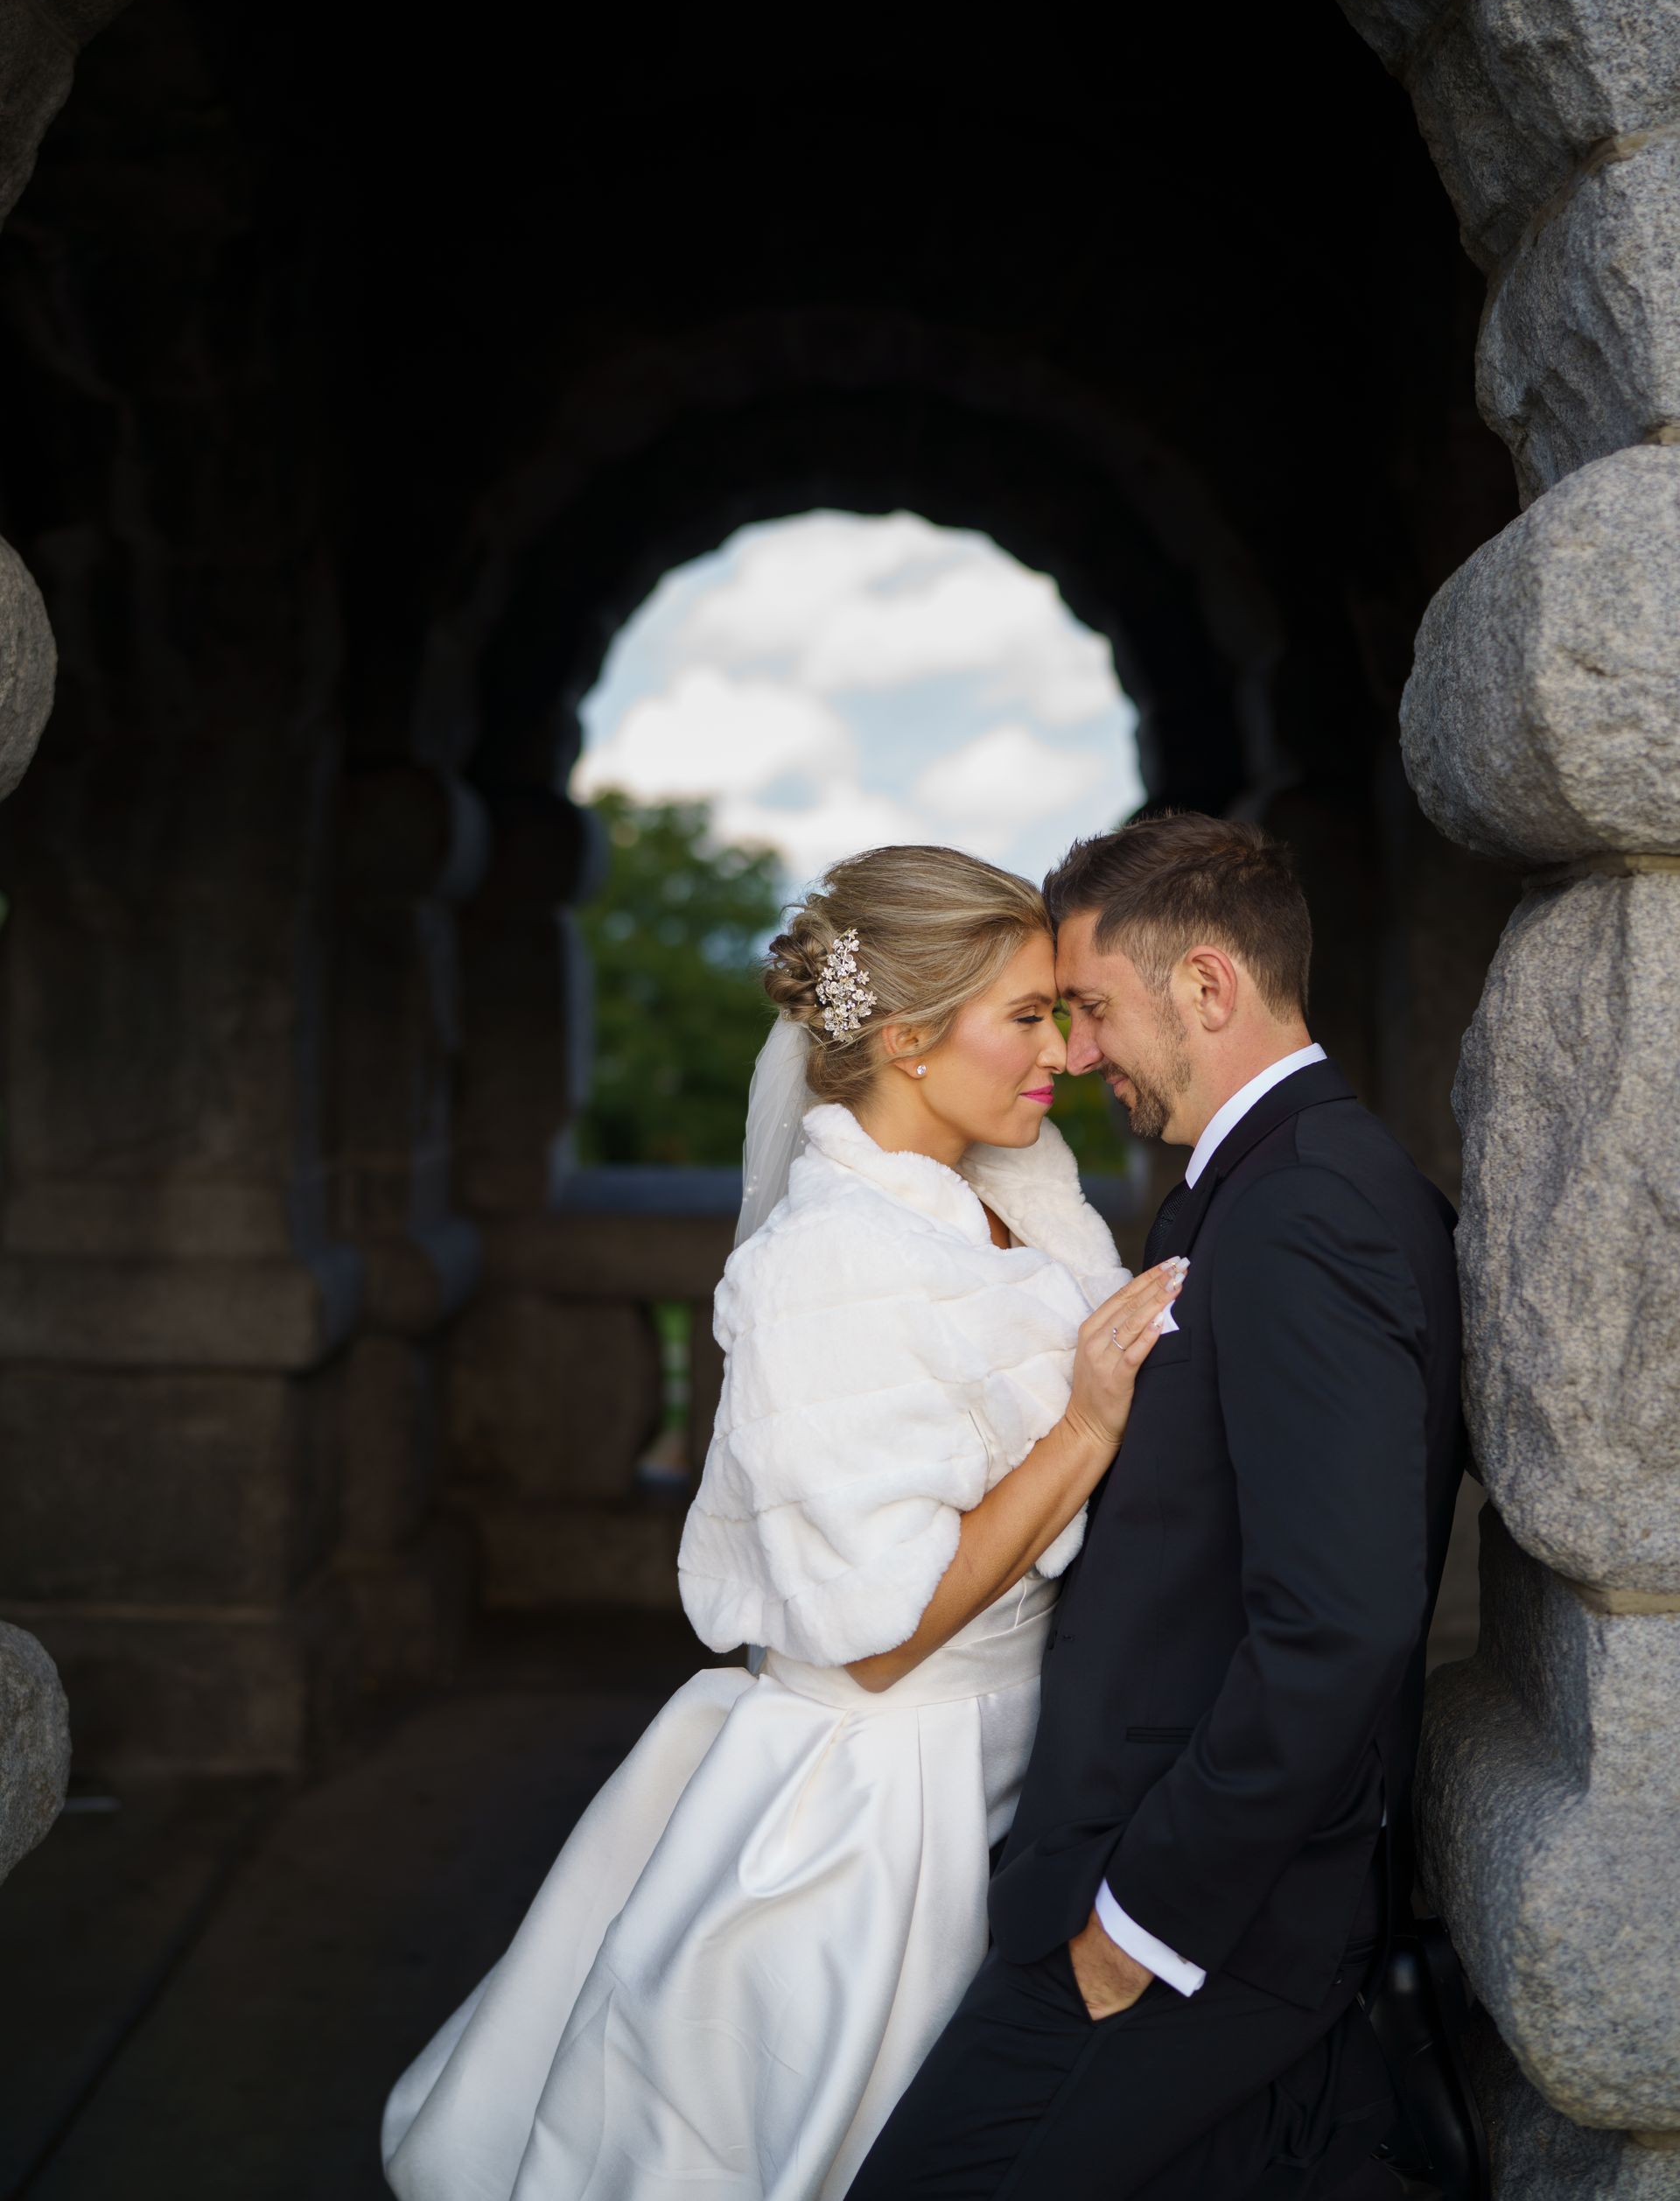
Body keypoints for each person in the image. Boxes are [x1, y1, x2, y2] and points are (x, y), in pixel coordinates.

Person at [381, 844, 1184, 2201]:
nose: (1067, 1049)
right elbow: (877, 1635)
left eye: (1060, 1011)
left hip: (1018, 1759)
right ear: (916, 1041)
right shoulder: (829, 1264)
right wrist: (1089, 1430)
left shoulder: (1010, 1198)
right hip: (886, 1809)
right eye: (1030, 1016)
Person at [850, 812, 1467, 2201]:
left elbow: (1339, 1623)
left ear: (1207, 986)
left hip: (1201, 1923)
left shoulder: (1311, 1208)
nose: (1073, 1053)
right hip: (1179, 1892)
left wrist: (1139, 1924)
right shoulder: (1255, 1185)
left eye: (1090, 1009)